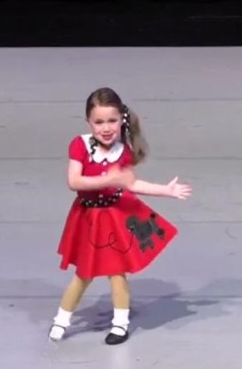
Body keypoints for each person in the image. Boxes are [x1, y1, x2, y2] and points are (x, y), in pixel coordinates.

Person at [48, 87, 192, 345]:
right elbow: (74, 181)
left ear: (121, 121)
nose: (106, 128)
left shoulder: (123, 152)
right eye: (99, 122)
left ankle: (120, 324)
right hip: (89, 218)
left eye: (112, 121)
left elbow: (131, 184)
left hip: (114, 216)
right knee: (84, 274)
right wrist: (108, 178)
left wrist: (165, 190)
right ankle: (62, 319)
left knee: (117, 273)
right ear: (89, 123)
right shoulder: (80, 145)